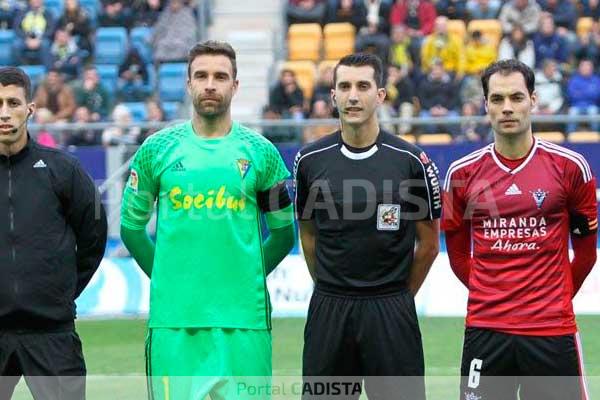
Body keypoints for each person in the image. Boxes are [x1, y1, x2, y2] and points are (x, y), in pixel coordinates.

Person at [120, 40, 295, 400]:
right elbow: (132, 229)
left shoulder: (262, 154)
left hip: (244, 320)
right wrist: (170, 277)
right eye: (201, 75)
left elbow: (282, 234)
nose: (210, 84)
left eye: (220, 76)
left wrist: (246, 275)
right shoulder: (156, 150)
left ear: (235, 85)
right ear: (188, 84)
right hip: (175, 322)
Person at [442, 59, 597, 400]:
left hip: (551, 330)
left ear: (533, 100)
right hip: (486, 329)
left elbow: (586, 253)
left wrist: (553, 297)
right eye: (497, 99)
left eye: (516, 97)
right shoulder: (460, 174)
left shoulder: (572, 168)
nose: (507, 107)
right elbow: (456, 255)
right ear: (486, 106)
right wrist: (492, 294)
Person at [294, 53, 441, 400]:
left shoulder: (411, 162)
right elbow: (309, 237)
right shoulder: (309, 161)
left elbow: (429, 245)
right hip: (330, 307)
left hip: (391, 308)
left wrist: (399, 296)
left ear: (380, 95)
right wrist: (331, 287)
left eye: (363, 86)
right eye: (344, 86)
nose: (353, 96)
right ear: (332, 96)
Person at [0, 66, 107, 399]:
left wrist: (60, 292)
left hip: (51, 334)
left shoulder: (64, 170)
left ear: (30, 109)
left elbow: (94, 237)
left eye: (14, 103)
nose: (5, 112)